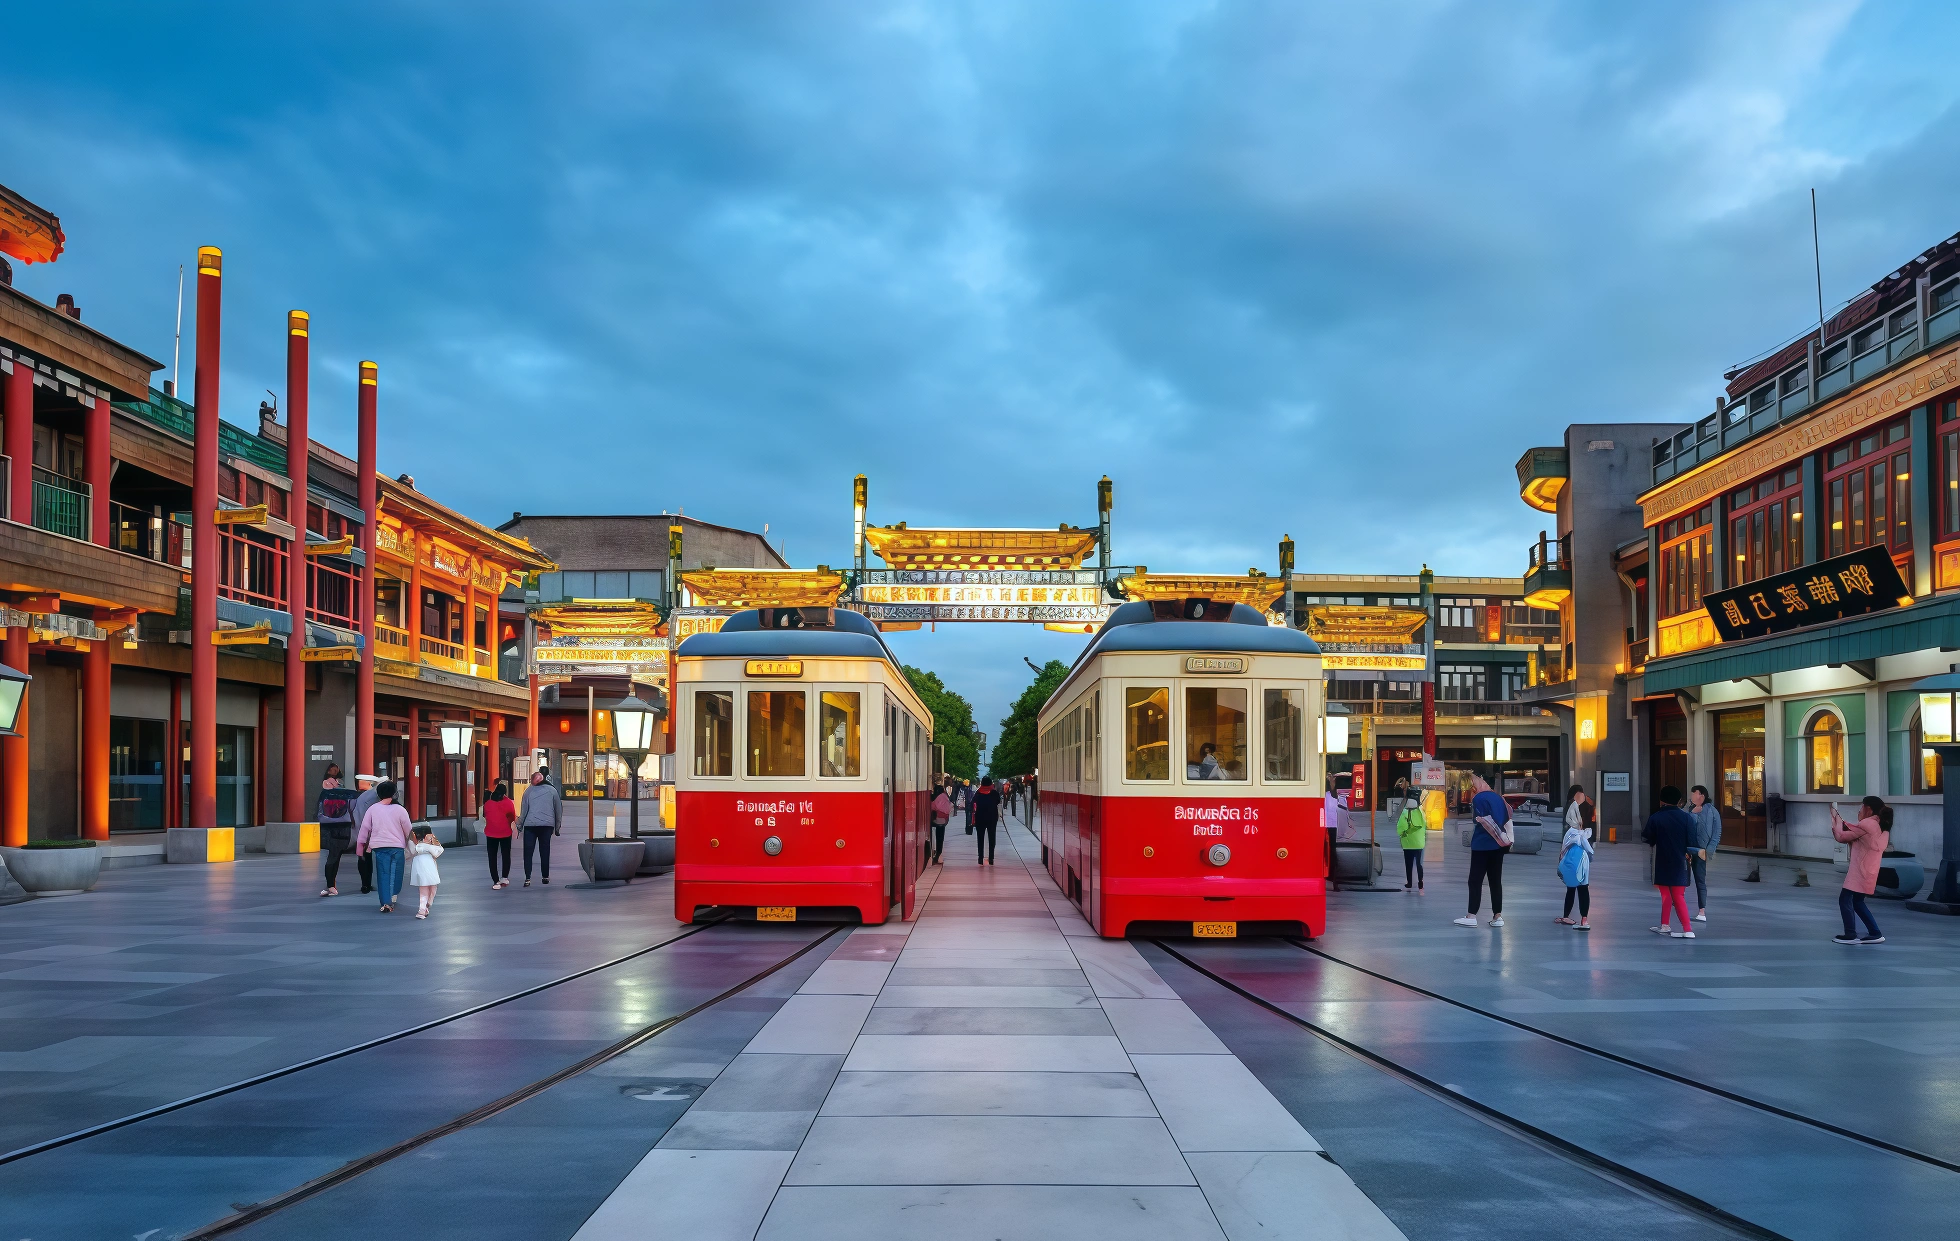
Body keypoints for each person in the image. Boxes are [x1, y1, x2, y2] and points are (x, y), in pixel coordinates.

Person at [1454, 775, 1511, 928]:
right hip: (1499, 844)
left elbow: (1478, 819)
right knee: (1495, 881)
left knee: (1475, 880)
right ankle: (1497, 916)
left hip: (1482, 844)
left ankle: (1471, 915)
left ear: (1475, 786)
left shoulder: (1479, 798)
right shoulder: (1498, 798)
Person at [1831, 797, 1889, 945]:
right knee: (1857, 901)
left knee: (1845, 899)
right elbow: (1856, 834)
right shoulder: (1882, 825)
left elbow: (1841, 836)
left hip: (1859, 871)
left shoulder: (1868, 824)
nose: (1859, 811)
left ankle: (1850, 935)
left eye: (1861, 807)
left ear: (1868, 809)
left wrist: (1835, 818)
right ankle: (1875, 933)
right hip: (1870, 870)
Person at [1643, 786, 1699, 938]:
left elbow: (1648, 837)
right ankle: (1683, 928)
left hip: (1661, 860)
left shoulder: (1656, 817)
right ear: (1679, 801)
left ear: (1661, 800)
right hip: (1681, 861)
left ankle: (1671, 927)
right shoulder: (1687, 818)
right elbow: (1692, 842)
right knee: (1678, 895)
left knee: (1666, 894)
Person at [355, 779, 412, 913]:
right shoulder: (400, 810)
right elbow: (408, 830)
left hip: (379, 847)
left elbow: (364, 830)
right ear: (394, 793)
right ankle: (393, 894)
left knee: (383, 874)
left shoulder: (372, 809)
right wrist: (411, 846)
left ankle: (386, 902)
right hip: (397, 847)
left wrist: (360, 849)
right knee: (396, 873)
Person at [1557, 784, 1595, 930]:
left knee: (1571, 886)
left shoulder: (1570, 809)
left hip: (1572, 853)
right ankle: (1584, 920)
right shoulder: (1587, 808)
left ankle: (1566, 916)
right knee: (1584, 887)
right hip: (1583, 854)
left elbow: (1566, 837)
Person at [518, 766, 562, 886]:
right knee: (545, 850)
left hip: (530, 825)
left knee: (528, 852)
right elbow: (558, 810)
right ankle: (545, 876)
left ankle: (528, 878)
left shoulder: (528, 791)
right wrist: (557, 827)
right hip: (546, 826)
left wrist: (520, 825)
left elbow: (524, 810)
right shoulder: (553, 790)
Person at [317, 772, 357, 897]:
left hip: (328, 828)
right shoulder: (347, 795)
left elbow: (318, 813)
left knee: (332, 857)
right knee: (335, 857)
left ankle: (330, 885)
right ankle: (331, 886)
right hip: (343, 828)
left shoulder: (324, 796)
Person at [1687, 785, 1720, 923]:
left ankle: (1702, 911)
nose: (1691, 796)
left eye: (1694, 793)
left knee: (1700, 880)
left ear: (1702, 795)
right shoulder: (1689, 809)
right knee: (1682, 877)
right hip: (1687, 849)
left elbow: (1717, 833)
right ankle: (1677, 903)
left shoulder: (1712, 811)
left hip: (1701, 851)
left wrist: (1708, 851)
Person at [350, 773, 382, 894]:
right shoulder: (374, 796)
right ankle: (367, 883)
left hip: (359, 830)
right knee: (367, 857)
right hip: (368, 830)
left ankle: (365, 883)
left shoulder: (361, 796)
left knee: (363, 856)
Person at [407, 823, 445, 919]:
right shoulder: (424, 844)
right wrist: (429, 846)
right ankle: (423, 908)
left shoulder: (415, 843)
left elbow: (411, 852)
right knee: (431, 885)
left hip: (420, 864)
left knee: (425, 887)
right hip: (428, 864)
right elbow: (438, 851)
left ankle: (424, 907)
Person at [1393, 783, 1426, 891]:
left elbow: (1400, 827)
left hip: (1407, 843)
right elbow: (1424, 825)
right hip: (1419, 843)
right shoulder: (1421, 812)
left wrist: (1403, 834)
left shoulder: (1405, 812)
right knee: (1419, 863)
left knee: (1408, 864)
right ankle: (1420, 881)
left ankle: (1409, 883)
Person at [483, 781, 516, 888]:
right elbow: (512, 817)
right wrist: (506, 823)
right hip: (505, 832)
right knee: (506, 855)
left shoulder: (488, 803)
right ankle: (504, 877)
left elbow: (485, 815)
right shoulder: (508, 803)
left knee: (492, 857)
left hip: (491, 833)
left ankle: (495, 881)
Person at [971, 775, 1001, 864]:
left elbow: (973, 802)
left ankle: (980, 858)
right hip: (992, 817)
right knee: (992, 837)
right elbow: (998, 801)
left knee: (980, 838)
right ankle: (991, 858)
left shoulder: (978, 792)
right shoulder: (994, 793)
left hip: (980, 817)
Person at [930, 785, 952, 864]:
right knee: (940, 838)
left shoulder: (934, 797)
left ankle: (935, 854)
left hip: (935, 820)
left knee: (935, 837)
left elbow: (933, 807)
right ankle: (938, 854)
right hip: (943, 821)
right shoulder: (945, 797)